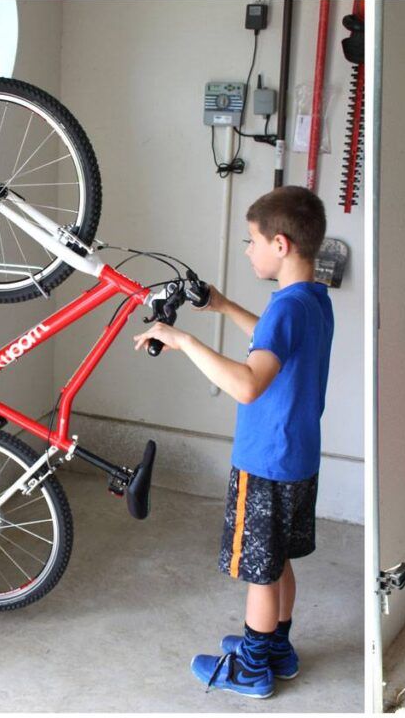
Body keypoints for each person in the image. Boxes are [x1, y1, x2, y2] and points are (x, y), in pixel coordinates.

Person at [133, 185, 334, 699]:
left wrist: (181, 340)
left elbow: (248, 382)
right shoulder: (311, 300)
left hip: (265, 459)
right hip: (298, 457)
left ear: (281, 245)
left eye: (253, 240)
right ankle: (276, 648)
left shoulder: (288, 309)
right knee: (280, 559)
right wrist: (223, 307)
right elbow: (274, 337)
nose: (249, 250)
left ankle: (251, 666)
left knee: (260, 574)